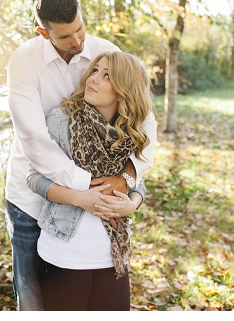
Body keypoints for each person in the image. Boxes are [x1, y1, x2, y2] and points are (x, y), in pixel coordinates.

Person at [5, 0, 157, 310]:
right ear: (43, 33)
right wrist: (87, 189)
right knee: (33, 301)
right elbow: (34, 140)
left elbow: (143, 122)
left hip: (96, 228)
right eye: (65, 37)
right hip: (32, 201)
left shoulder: (105, 53)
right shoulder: (23, 63)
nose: (77, 41)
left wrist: (128, 178)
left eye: (80, 29)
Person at [27, 52, 153, 310]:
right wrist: (81, 198)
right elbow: (33, 177)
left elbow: (136, 181)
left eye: (106, 75)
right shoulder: (61, 121)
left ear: (124, 90)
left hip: (112, 258)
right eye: (95, 70)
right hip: (64, 256)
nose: (93, 79)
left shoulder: (131, 131)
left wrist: (133, 204)